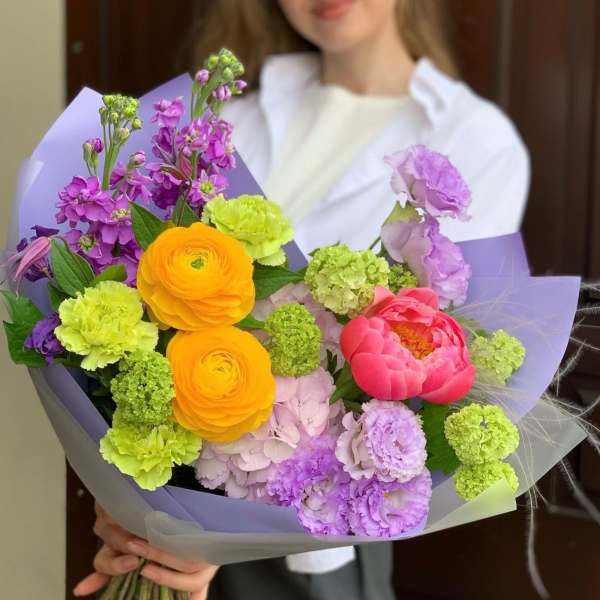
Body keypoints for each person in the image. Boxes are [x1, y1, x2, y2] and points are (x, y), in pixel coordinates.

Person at [74, 1, 529, 598]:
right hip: (179, 505)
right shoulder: (229, 120)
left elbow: (438, 364)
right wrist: (135, 511)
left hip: (320, 538)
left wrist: (220, 541)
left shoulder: (475, 139)